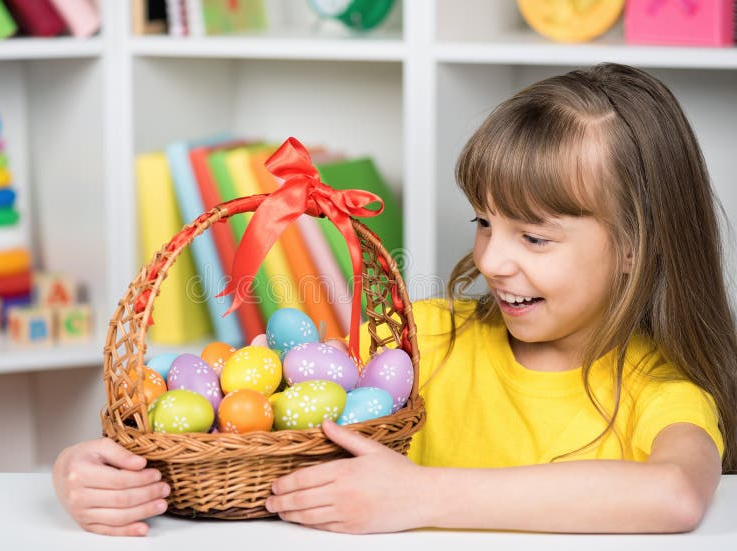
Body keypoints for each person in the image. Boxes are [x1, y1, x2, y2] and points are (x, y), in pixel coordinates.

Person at [53, 63, 737, 536]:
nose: (492, 259)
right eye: (484, 222)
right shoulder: (420, 343)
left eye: (533, 236)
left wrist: (422, 495)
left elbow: (675, 494)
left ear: (632, 248)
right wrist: (94, 473)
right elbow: (254, 430)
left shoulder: (659, 388)